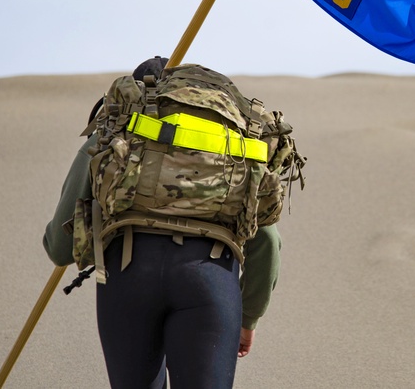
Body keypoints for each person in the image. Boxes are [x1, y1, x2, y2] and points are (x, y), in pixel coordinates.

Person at [44, 57, 297, 389]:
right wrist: (248, 318)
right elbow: (266, 242)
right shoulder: (227, 143)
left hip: (129, 276)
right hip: (211, 278)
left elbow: (61, 249)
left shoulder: (118, 130)